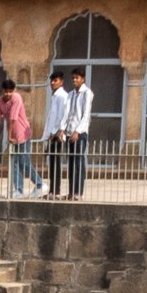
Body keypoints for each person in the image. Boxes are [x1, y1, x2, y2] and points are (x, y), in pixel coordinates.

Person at [0, 74, 34, 198]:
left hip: (22, 133)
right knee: (15, 163)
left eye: (10, 91)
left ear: (14, 91)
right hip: (13, 136)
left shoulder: (17, 98)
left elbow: (13, 118)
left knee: (24, 162)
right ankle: (19, 190)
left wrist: (9, 136)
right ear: (2, 90)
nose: (8, 94)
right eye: (6, 91)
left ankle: (39, 183)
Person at [42, 70, 72, 199]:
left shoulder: (62, 96)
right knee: (52, 163)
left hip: (57, 135)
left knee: (56, 164)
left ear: (62, 82)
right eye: (52, 81)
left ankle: (56, 191)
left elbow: (62, 116)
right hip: (52, 134)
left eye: (56, 81)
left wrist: (56, 132)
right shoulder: (55, 96)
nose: (53, 83)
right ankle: (52, 190)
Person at [65, 65, 93, 198]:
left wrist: (77, 131)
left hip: (80, 133)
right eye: (73, 78)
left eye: (77, 78)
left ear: (83, 79)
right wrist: (63, 129)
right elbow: (67, 114)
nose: (74, 80)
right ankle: (71, 191)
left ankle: (78, 192)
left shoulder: (87, 93)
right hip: (69, 132)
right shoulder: (70, 94)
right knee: (71, 163)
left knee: (78, 162)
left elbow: (85, 115)